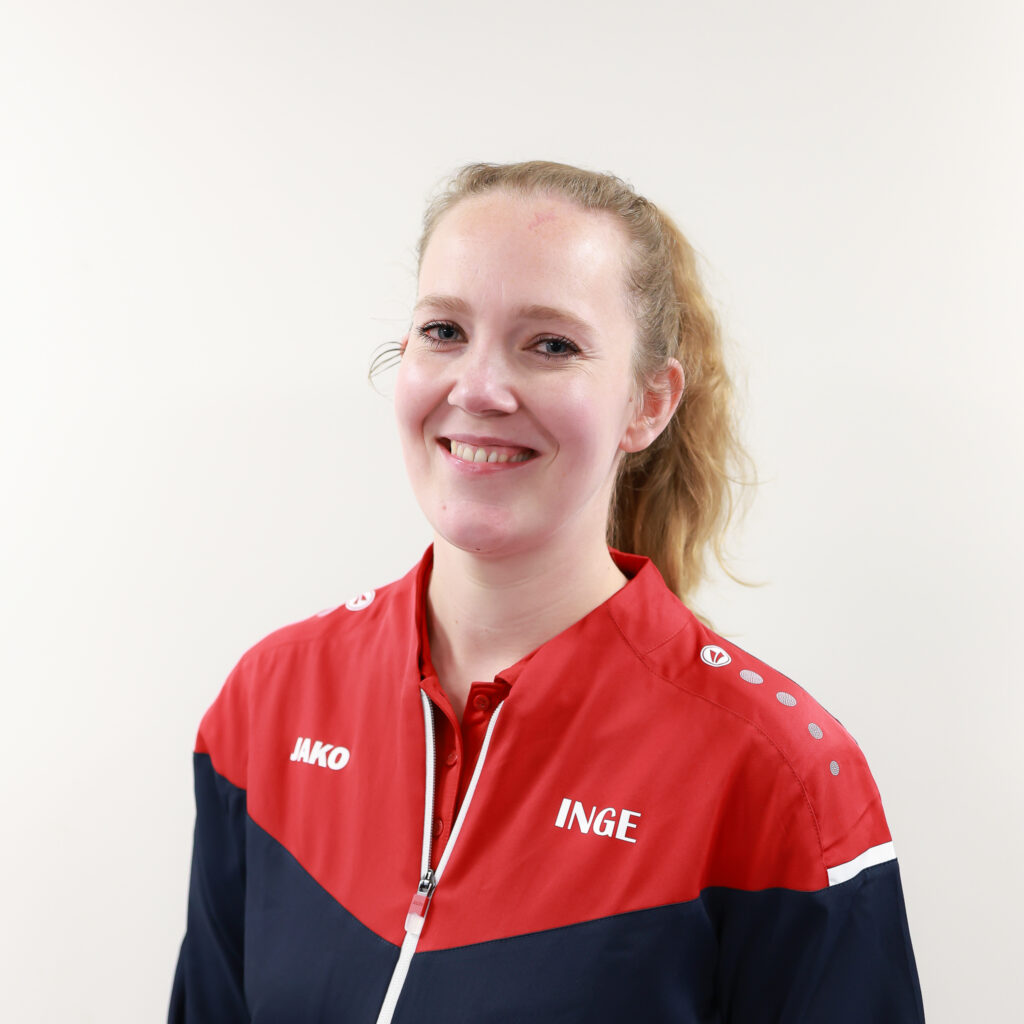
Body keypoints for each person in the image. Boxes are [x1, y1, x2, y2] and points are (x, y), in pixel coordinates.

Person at [169, 160, 925, 1022]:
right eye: (444, 331)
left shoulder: (779, 772)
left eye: (551, 345)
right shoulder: (271, 700)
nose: (478, 389)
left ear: (648, 404)